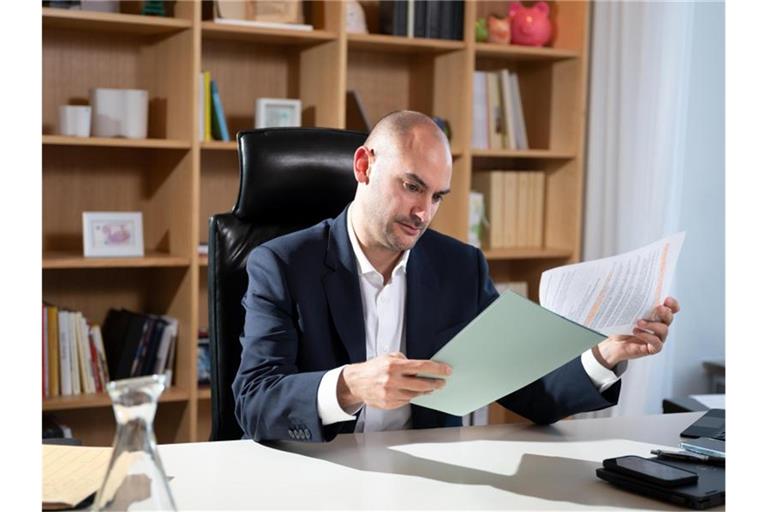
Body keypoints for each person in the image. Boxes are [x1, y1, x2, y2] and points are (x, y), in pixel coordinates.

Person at [233, 111, 680, 442]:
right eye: (411, 186)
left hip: (431, 483)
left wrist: (605, 354)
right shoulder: (282, 264)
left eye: (437, 196)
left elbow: (526, 388)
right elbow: (254, 401)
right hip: (319, 480)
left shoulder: (459, 267)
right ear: (364, 166)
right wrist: (350, 386)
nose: (423, 213)